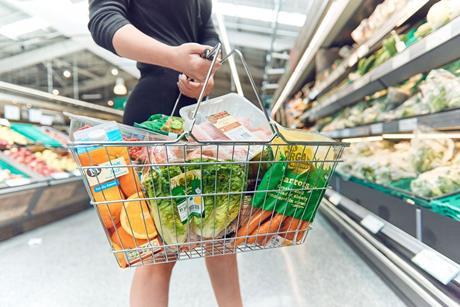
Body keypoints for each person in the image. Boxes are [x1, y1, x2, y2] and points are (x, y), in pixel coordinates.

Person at [88, 1, 243, 307]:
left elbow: (208, 33)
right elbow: (103, 20)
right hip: (152, 116)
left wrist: (207, 67)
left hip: (196, 116)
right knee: (160, 252)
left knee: (223, 238)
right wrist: (173, 57)